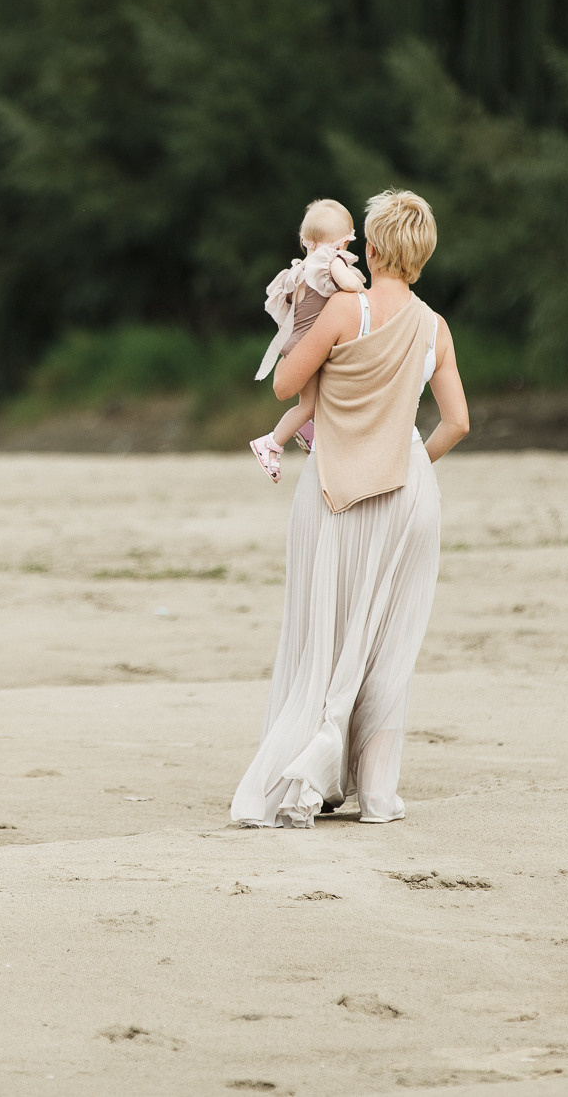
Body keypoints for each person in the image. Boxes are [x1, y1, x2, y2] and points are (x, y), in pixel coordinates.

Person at [230, 188, 469, 828]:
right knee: (389, 643)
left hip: (338, 487)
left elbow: (284, 385)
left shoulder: (344, 310)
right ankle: (377, 792)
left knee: (321, 633)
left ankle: (310, 778)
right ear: (421, 255)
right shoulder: (435, 327)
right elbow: (456, 423)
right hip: (409, 492)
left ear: (370, 245)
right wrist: (409, 460)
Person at [249, 200, 366, 483]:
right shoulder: (331, 262)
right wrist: (363, 289)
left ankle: (308, 432)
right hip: (310, 347)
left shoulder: (302, 269)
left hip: (297, 343)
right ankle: (272, 443)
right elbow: (351, 285)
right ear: (341, 243)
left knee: (313, 401)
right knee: (309, 404)